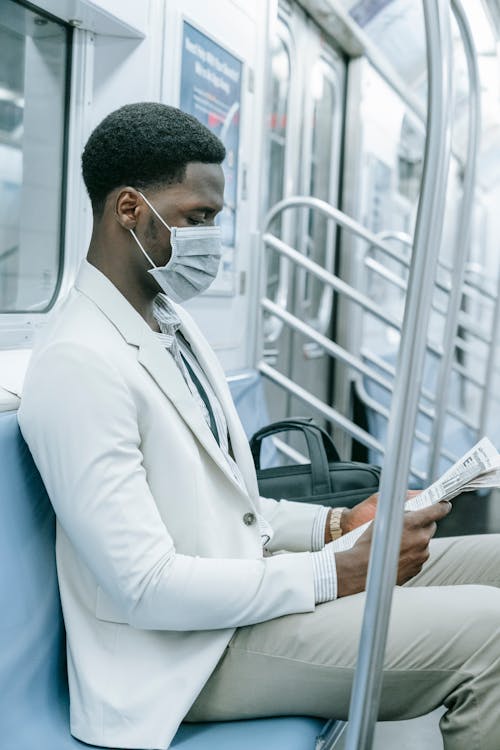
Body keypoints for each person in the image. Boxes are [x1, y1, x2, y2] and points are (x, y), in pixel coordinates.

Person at [18, 102, 500, 750]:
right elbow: (146, 587)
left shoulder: (169, 322)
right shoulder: (78, 363)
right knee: (492, 633)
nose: (213, 239)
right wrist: (338, 572)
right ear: (128, 210)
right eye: (199, 218)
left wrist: (334, 527)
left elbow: (231, 509)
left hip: (248, 593)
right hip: (184, 656)